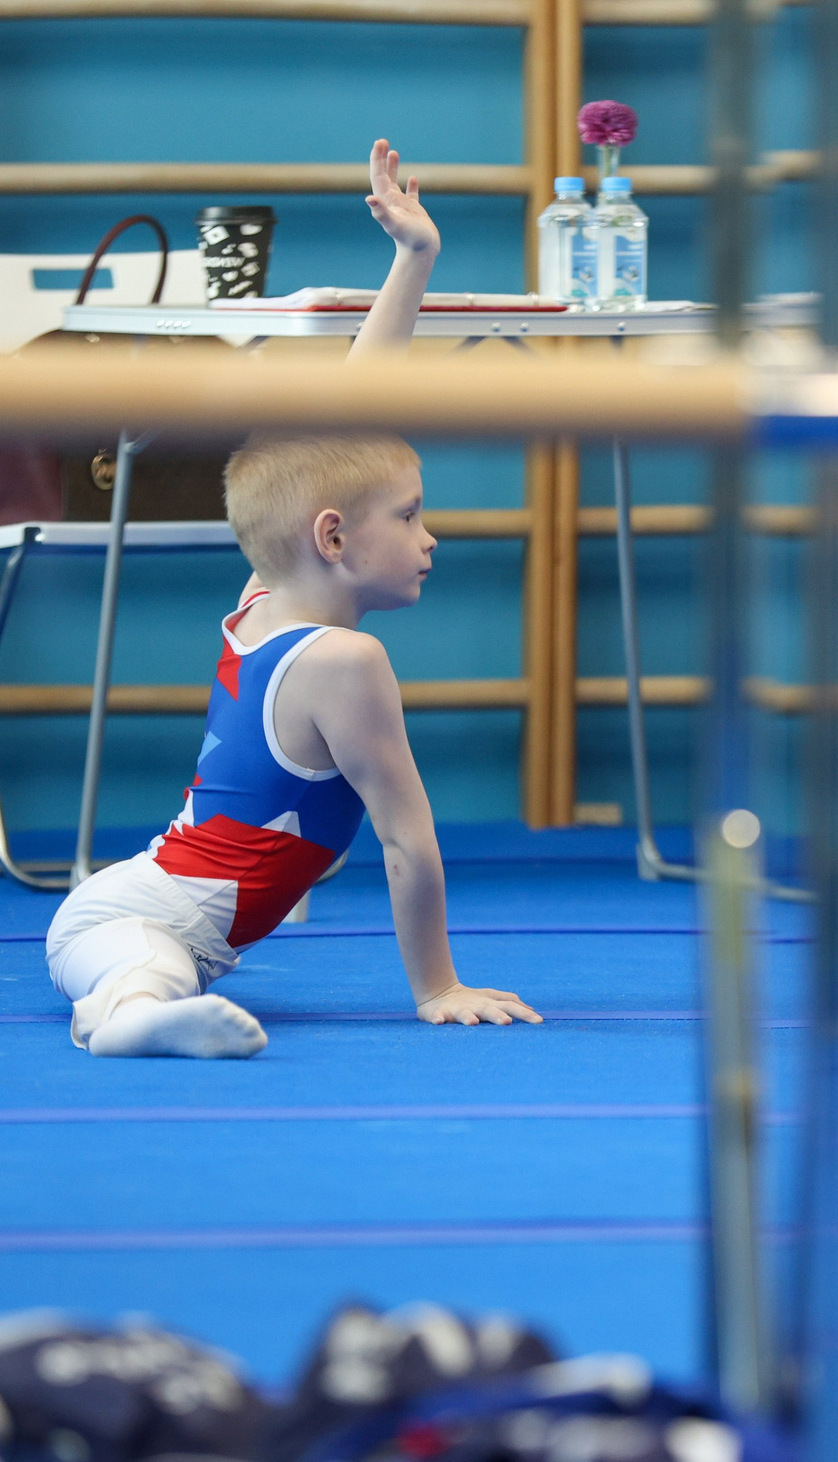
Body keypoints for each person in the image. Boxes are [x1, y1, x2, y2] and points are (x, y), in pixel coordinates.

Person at [43, 140, 543, 1058]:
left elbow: (354, 405)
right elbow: (407, 841)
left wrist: (414, 259)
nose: (432, 537)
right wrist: (437, 986)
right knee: (145, 967)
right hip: (130, 918)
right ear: (332, 539)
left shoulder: (267, 593)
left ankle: (145, 1005)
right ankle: (126, 1019)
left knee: (162, 962)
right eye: (412, 515)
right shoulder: (344, 661)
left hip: (146, 907)